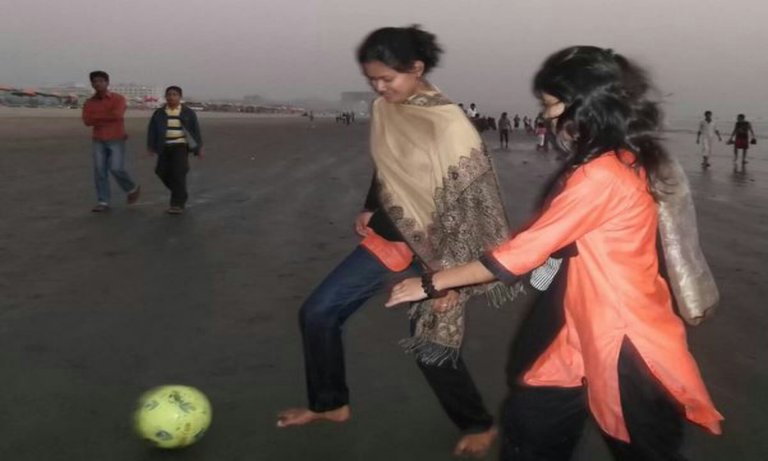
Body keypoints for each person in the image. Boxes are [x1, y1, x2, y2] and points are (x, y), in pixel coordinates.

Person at [386, 46, 723, 460]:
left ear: (586, 104)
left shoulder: (602, 175)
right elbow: (552, 250)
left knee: (644, 445)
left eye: (550, 104)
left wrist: (431, 283)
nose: (546, 115)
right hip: (575, 323)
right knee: (533, 421)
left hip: (620, 334)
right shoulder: (621, 160)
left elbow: (522, 253)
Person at [276, 26, 517, 458]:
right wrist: (371, 205)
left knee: (430, 345)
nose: (380, 88)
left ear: (417, 68)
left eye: (389, 79)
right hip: (391, 239)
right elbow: (389, 166)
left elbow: (471, 206)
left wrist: (450, 282)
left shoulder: (447, 125)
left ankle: (478, 423)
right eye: (373, 80)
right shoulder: (387, 109)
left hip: (442, 252)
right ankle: (330, 405)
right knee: (318, 313)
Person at [81, 70, 141, 212]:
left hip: (116, 138)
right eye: (95, 81)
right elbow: (87, 121)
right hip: (98, 139)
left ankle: (131, 188)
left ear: (107, 82)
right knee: (100, 171)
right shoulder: (89, 102)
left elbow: (117, 115)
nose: (98, 83)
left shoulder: (118, 99)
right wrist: (106, 116)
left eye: (101, 81)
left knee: (116, 168)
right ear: (92, 84)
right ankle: (103, 201)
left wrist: (98, 117)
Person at [147, 86, 203, 215]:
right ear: (166, 97)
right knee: (160, 171)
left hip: (180, 146)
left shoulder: (188, 112)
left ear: (180, 97)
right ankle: (180, 193)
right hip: (164, 146)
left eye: (175, 94)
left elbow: (195, 131)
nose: (171, 97)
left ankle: (177, 204)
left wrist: (198, 148)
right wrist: (151, 146)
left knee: (178, 173)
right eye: (169, 94)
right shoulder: (159, 112)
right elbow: (152, 130)